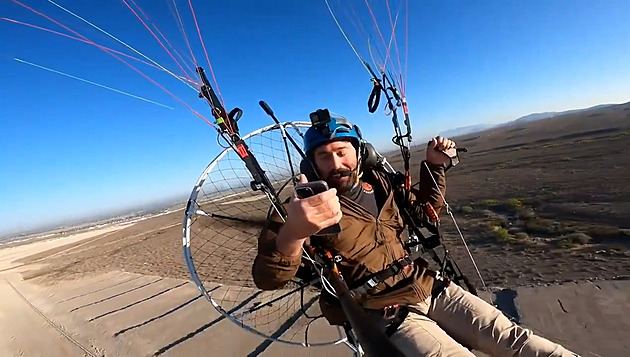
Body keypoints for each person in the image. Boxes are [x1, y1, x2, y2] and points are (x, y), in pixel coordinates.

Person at [252, 110, 578, 356]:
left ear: (358, 153)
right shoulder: (300, 208)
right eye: (324, 156)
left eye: (342, 151)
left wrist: (435, 166)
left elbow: (426, 215)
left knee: (516, 341)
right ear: (312, 164)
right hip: (385, 310)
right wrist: (294, 233)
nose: (335, 162)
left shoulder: (382, 183)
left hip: (428, 285)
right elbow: (269, 278)